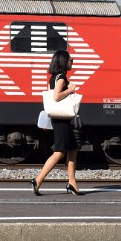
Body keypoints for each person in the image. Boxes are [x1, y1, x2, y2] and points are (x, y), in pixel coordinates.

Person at [30, 49, 82, 196]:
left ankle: (72, 182)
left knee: (73, 149)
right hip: (61, 120)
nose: (72, 62)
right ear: (63, 61)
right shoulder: (61, 77)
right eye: (70, 60)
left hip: (59, 119)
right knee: (59, 152)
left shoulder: (53, 77)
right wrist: (70, 90)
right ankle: (38, 179)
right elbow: (56, 97)